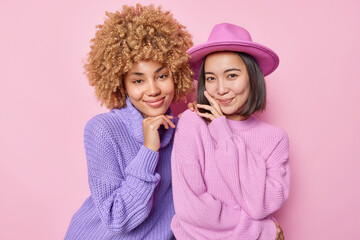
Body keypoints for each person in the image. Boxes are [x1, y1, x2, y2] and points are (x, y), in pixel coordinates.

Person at [65, 4, 193, 239]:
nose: (153, 90)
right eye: (138, 81)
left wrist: (204, 126)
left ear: (177, 74)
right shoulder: (103, 129)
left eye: (162, 76)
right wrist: (148, 150)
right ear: (121, 85)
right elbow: (118, 219)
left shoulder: (184, 132)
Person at [171, 23, 289, 240]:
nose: (221, 89)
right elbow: (192, 209)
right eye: (211, 78)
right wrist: (261, 230)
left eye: (232, 76)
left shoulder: (275, 139)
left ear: (253, 78)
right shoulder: (192, 123)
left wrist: (224, 133)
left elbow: (259, 205)